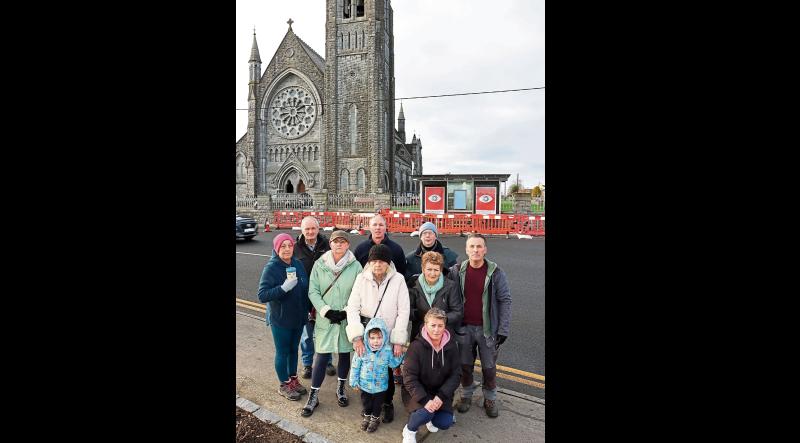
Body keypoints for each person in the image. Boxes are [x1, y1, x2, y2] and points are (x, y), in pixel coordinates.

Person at [448, 233, 512, 418]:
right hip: (463, 328)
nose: (475, 250)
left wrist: (503, 329)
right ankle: (466, 395)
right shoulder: (456, 270)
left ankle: (490, 398)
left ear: (485, 249)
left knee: (489, 367)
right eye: (472, 247)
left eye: (479, 246)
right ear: (466, 249)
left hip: (488, 330)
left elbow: (505, 300)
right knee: (465, 366)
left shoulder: (496, 273)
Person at [346, 243, 411, 424]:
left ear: (388, 263)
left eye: (382, 261)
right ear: (369, 262)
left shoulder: (398, 279)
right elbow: (352, 308)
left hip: (388, 333)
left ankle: (387, 403)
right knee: (366, 366)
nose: (378, 265)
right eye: (374, 261)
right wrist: (357, 337)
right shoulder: (361, 279)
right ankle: (369, 406)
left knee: (386, 370)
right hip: (368, 334)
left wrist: (398, 340)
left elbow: (403, 311)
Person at [300, 230, 363, 417]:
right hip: (325, 318)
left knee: (344, 354)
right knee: (321, 356)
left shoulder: (356, 266)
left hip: (345, 317)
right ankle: (314, 395)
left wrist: (345, 310)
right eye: (335, 242)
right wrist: (326, 310)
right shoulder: (320, 264)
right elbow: (313, 291)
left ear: (348, 245)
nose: (338, 245)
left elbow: (358, 292)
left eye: (343, 242)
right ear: (331, 244)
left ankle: (341, 388)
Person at [257, 233, 310, 401]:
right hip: (280, 319)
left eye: (289, 245)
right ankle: (284, 384)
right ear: (276, 248)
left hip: (298, 317)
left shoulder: (298, 264)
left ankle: (293, 379)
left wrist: (307, 309)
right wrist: (283, 288)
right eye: (283, 246)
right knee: (283, 352)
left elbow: (304, 288)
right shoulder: (271, 267)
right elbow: (262, 295)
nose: (287, 249)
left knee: (294, 350)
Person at [400, 308, 461, 443]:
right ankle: (410, 430)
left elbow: (456, 374)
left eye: (440, 326)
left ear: (445, 326)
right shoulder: (416, 347)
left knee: (445, 422)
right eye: (433, 325)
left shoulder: (452, 346)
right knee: (425, 413)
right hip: (417, 392)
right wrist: (425, 400)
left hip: (440, 393)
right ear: (426, 325)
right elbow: (409, 378)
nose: (436, 330)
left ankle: (431, 418)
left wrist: (441, 396)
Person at [294, 216, 336, 379]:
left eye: (313, 229)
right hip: (304, 298)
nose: (310, 232)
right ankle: (307, 364)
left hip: (325, 297)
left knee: (326, 331)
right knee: (307, 335)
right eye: (307, 229)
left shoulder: (327, 245)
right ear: (302, 230)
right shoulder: (295, 247)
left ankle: (328, 361)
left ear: (318, 229)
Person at [349, 317, 405, 433]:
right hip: (365, 385)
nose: (376, 341)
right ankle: (367, 416)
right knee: (366, 403)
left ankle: (375, 419)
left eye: (379, 337)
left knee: (377, 405)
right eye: (372, 338)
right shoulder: (362, 350)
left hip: (381, 386)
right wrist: (353, 381)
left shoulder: (387, 351)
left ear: (384, 337)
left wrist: (400, 355)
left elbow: (393, 363)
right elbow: (355, 366)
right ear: (367, 337)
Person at [408, 251, 463, 341]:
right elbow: (407, 310)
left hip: (443, 335)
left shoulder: (451, 286)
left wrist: (440, 319)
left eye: (436, 270)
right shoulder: (413, 284)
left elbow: (457, 312)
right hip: (419, 335)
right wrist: (420, 315)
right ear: (423, 269)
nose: (433, 273)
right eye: (429, 269)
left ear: (440, 270)